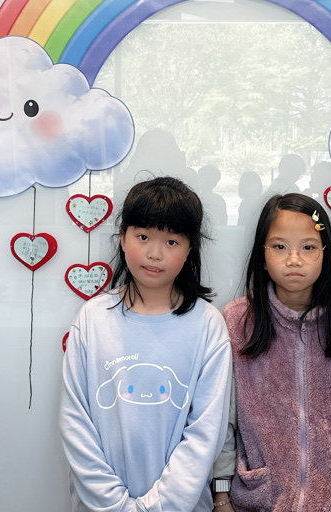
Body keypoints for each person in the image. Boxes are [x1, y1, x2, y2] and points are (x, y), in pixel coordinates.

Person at [61, 176, 233, 512]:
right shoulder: (92, 319)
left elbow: (205, 433)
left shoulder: (207, 325)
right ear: (122, 237)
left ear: (190, 249)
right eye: (143, 237)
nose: (155, 254)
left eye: (171, 241)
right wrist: (115, 505)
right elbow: (75, 423)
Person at [211, 193, 331, 512]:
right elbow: (222, 419)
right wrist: (221, 493)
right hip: (256, 502)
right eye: (280, 246)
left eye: (308, 247)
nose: (294, 259)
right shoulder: (238, 322)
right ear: (262, 255)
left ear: (325, 254)